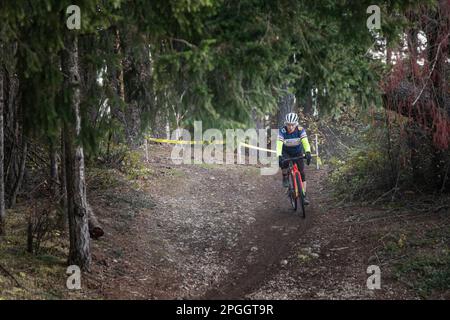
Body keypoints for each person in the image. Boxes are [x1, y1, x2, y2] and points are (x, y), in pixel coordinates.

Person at [276, 112, 312, 205]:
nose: (290, 127)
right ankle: (285, 176)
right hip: (286, 152)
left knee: (302, 173)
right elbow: (279, 144)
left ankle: (303, 196)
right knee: (284, 163)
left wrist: (308, 152)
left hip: (297, 152)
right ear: (285, 124)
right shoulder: (282, 131)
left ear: (296, 124)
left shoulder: (300, 130)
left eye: (292, 125)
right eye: (288, 124)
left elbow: (305, 142)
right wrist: (279, 156)